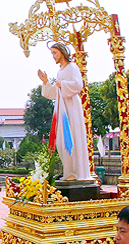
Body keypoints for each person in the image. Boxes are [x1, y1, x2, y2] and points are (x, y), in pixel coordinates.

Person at [38, 42, 91, 181]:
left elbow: (78, 85)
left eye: (55, 53)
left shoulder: (72, 67)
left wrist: (63, 84)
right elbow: (56, 92)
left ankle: (77, 173)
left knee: (73, 138)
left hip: (72, 107)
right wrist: (46, 83)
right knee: (61, 142)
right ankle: (69, 172)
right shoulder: (60, 71)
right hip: (62, 107)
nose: (53, 56)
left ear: (62, 52)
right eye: (52, 54)